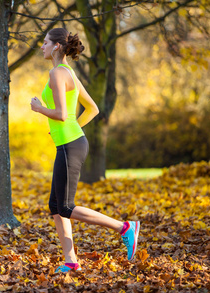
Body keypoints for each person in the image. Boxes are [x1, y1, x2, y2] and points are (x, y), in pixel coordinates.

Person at [30, 28, 140, 273]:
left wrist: (39, 108)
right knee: (56, 206)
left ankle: (125, 228)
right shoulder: (69, 73)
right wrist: (71, 129)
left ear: (57, 46)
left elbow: (60, 114)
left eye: (45, 42)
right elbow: (92, 109)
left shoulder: (57, 73)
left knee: (66, 207)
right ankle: (70, 261)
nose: (42, 47)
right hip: (71, 142)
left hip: (71, 145)